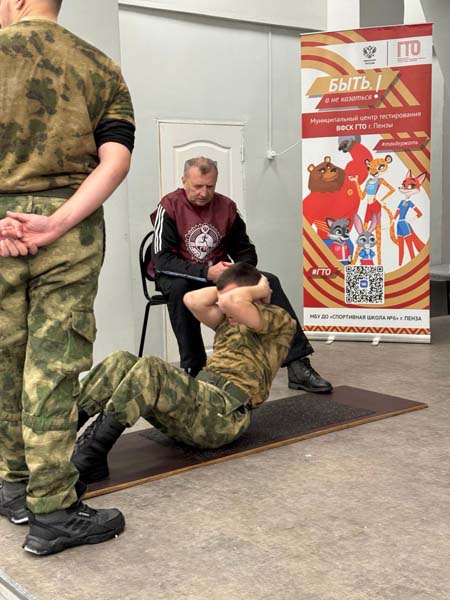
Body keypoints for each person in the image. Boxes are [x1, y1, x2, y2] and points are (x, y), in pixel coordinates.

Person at [0, 0, 135, 556]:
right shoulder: (99, 65)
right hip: (68, 230)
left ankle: (13, 484)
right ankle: (53, 509)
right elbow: (115, 159)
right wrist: (56, 222)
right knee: (53, 365)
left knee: (5, 356)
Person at [72, 263, 296, 484]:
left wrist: (259, 289)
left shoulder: (278, 320)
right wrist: (229, 291)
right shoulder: (227, 320)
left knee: (151, 368)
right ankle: (61, 433)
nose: (222, 305)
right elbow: (191, 299)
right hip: (199, 404)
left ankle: (91, 455)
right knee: (121, 360)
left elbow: (232, 301)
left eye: (231, 299)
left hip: (225, 417)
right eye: (221, 299)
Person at [150, 156, 332, 392]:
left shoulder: (227, 207)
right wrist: (206, 272)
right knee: (178, 289)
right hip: (181, 275)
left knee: (270, 280)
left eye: (210, 186)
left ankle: (298, 364)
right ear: (184, 181)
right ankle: (193, 368)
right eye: (197, 186)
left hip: (220, 276)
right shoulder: (169, 206)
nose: (204, 193)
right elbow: (162, 260)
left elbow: (246, 252)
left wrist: (236, 275)